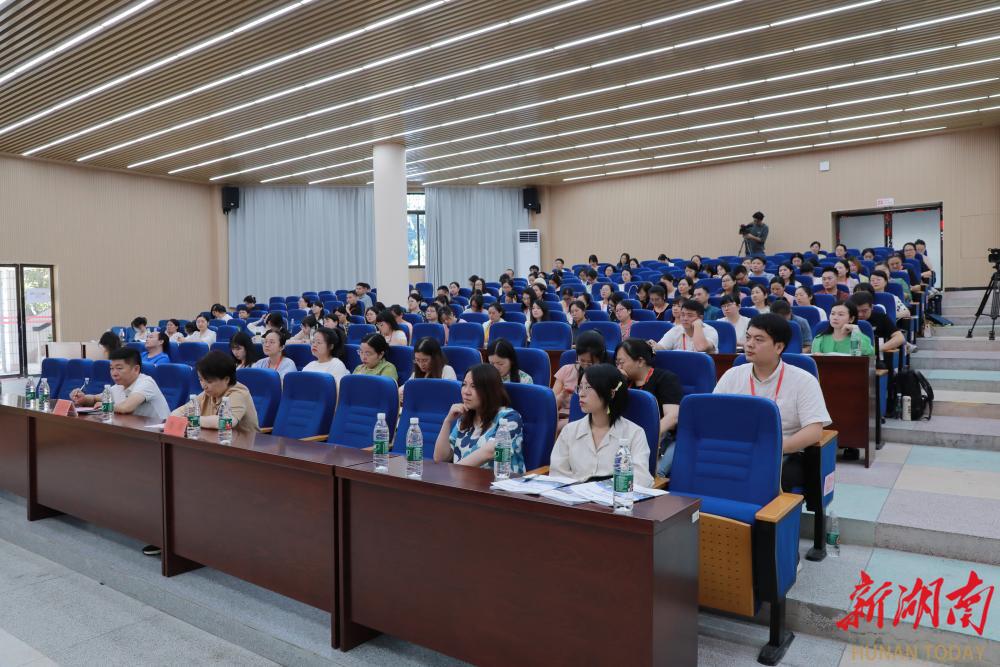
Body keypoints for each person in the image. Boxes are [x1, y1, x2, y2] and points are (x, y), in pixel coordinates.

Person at [714, 314, 832, 491]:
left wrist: (774, 449)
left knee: (764, 480)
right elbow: (714, 416)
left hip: (784, 451)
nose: (749, 344)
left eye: (758, 339)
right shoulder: (733, 375)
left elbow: (814, 430)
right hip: (738, 450)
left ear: (779, 347)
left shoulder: (803, 380)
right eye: (748, 337)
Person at [549, 363, 654, 486]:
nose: (581, 393)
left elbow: (641, 480)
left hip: (615, 496)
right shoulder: (569, 431)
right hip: (573, 496)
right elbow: (557, 474)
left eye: (588, 387)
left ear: (611, 393)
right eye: (580, 387)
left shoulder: (635, 434)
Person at [434, 363, 525, 474]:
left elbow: (490, 451)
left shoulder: (510, 418)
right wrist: (447, 421)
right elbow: (440, 458)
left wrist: (452, 473)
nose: (466, 392)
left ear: (489, 390)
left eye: (474, 386)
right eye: (464, 384)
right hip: (463, 481)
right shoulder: (465, 418)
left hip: (499, 483)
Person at [615, 338, 683, 477]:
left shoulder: (665, 378)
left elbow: (673, 417)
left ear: (640, 361)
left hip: (664, 438)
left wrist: (645, 437)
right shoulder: (624, 383)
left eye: (621, 363)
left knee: (650, 474)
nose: (619, 368)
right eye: (617, 363)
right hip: (628, 440)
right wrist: (618, 384)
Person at [71, 347, 170, 421]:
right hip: (136, 431)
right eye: (111, 368)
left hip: (160, 435)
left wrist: (104, 406)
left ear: (136, 369)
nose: (114, 373)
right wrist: (83, 399)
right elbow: (94, 399)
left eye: (119, 368)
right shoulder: (119, 386)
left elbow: (126, 407)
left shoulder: (146, 383)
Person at [552, 330, 608, 425]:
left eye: (590, 362)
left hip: (588, 420)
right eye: (582, 360)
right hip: (561, 416)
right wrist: (561, 397)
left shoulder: (605, 375)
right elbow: (550, 405)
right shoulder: (566, 370)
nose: (585, 365)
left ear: (600, 358)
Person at [849, 291, 906, 359]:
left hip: (876, 357)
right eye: (857, 311)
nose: (860, 314)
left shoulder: (881, 318)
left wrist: (877, 350)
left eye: (864, 311)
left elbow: (900, 338)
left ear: (872, 307)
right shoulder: (847, 319)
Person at [651, 300, 718, 352]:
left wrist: (698, 324)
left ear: (700, 317)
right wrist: (653, 345)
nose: (685, 318)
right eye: (682, 315)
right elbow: (662, 348)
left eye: (690, 315)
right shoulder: (676, 330)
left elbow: (701, 347)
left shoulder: (710, 331)